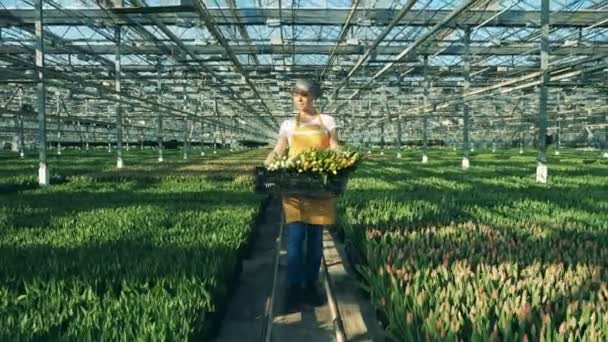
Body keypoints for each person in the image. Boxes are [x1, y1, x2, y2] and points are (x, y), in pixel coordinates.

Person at [266, 79, 339, 313]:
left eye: (305, 95)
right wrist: (268, 161)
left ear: (314, 97)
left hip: (319, 187)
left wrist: (344, 158)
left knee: (315, 241)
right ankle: (294, 287)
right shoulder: (288, 124)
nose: (300, 99)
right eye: (296, 94)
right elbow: (280, 148)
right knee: (295, 240)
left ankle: (311, 284)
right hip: (295, 187)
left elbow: (334, 146)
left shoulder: (327, 121)